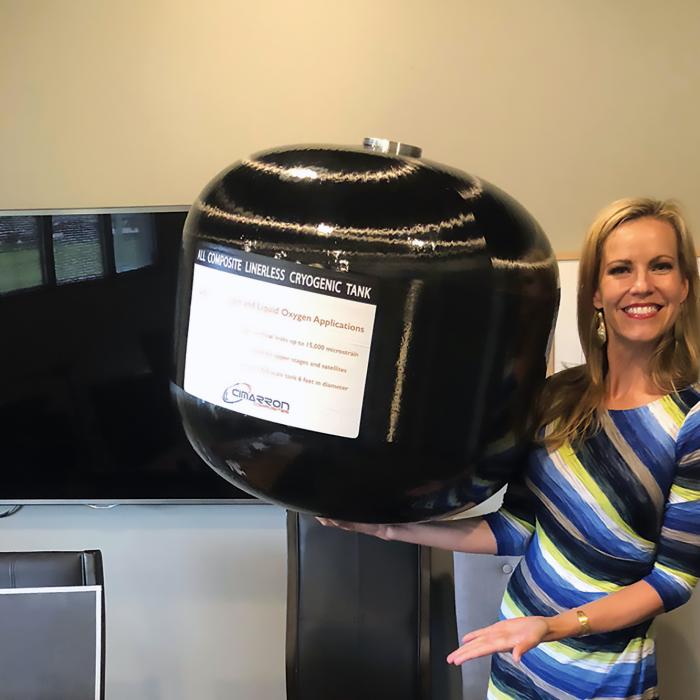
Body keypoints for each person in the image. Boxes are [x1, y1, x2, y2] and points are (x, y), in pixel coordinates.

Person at [318, 197, 700, 699]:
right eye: (620, 269)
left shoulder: (690, 420)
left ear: (684, 286)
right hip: (518, 660)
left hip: (601, 679)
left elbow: (672, 581)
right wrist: (389, 527)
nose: (642, 285)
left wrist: (555, 626)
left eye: (662, 266)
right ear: (595, 293)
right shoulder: (557, 398)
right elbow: (516, 527)